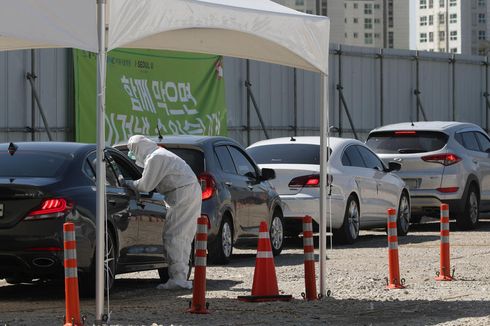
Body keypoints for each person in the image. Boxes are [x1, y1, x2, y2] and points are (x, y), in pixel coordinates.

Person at [127, 135, 201, 290]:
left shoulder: (156, 158)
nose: (132, 155)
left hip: (182, 194)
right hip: (186, 192)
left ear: (138, 148)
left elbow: (145, 185)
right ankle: (180, 276)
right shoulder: (159, 154)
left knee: (175, 236)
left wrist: (127, 183)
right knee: (182, 236)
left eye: (132, 150)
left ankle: (178, 279)